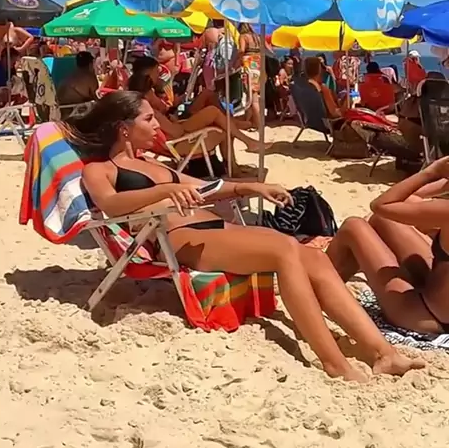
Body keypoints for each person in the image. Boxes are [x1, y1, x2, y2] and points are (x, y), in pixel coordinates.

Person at [67, 91, 422, 380]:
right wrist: (163, 192)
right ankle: (334, 363)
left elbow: (206, 187)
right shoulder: (100, 169)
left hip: (213, 228)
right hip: (179, 238)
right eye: (148, 119)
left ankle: (383, 353)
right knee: (284, 250)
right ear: (123, 128)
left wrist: (250, 187)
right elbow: (111, 204)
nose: (157, 124)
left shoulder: (152, 164)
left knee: (312, 256)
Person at [326, 156, 449, 335]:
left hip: (427, 316)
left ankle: (318, 285)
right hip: (437, 293)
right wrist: (444, 184)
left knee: (353, 227)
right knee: (384, 220)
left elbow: (380, 204)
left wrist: (431, 172)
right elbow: (406, 199)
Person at [128, 56, 267, 166]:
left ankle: (239, 144)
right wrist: (176, 121)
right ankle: (243, 136)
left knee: (218, 115)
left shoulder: (142, 104)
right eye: (155, 72)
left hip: (174, 132)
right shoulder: (151, 110)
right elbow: (176, 132)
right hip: (178, 140)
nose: (159, 75)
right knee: (214, 113)